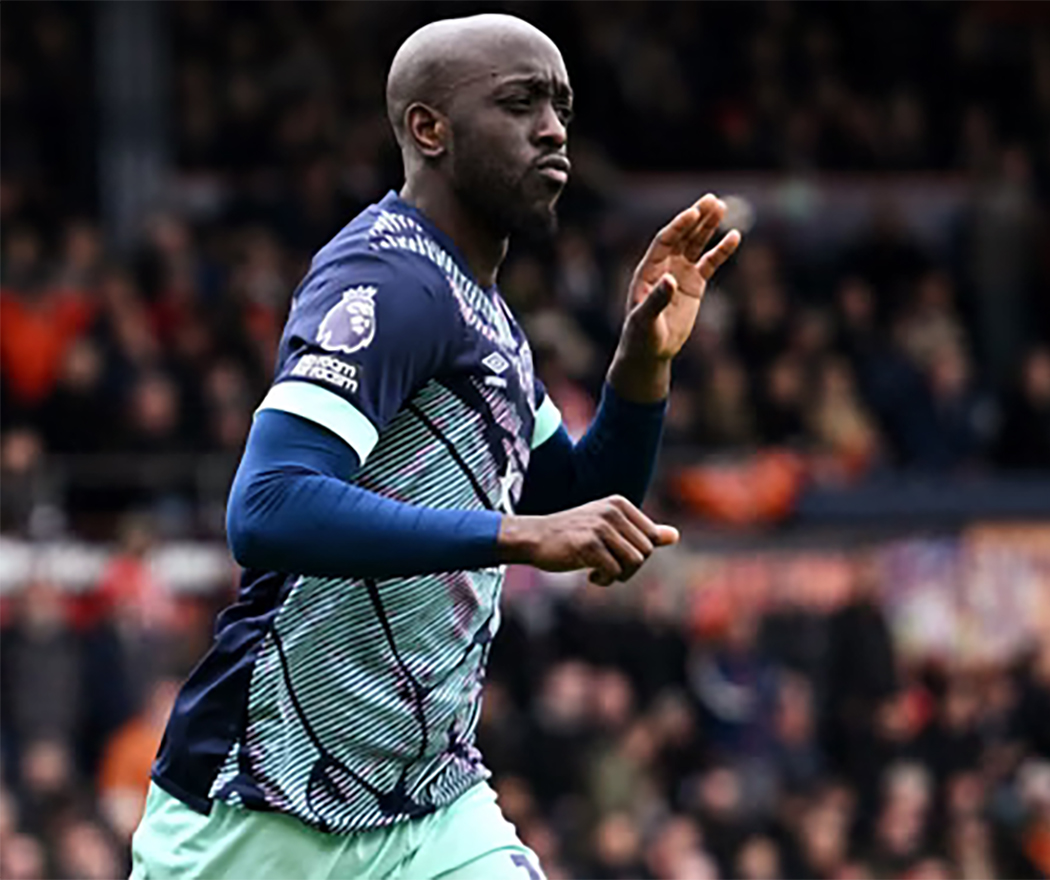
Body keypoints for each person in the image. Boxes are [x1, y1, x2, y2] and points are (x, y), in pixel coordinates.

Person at [130, 13, 741, 880]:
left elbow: (576, 506)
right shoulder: (387, 279)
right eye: (521, 103)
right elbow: (267, 507)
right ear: (429, 129)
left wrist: (641, 365)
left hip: (431, 803)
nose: (553, 129)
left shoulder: (483, 311)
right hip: (262, 799)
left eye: (561, 107)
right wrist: (515, 537)